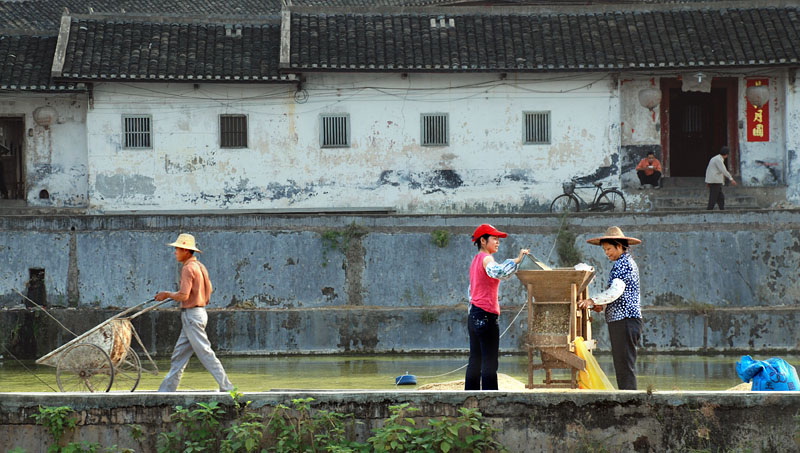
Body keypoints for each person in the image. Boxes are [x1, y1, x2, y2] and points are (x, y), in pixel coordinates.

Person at [156, 233, 234, 392]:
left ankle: (228, 387)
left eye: (177, 249)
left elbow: (183, 295)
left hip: (192, 316)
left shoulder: (187, 268)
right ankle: (165, 391)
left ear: (186, 250)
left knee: (205, 353)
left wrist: (167, 294)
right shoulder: (200, 267)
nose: (175, 252)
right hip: (198, 313)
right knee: (179, 355)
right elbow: (209, 289)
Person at [465, 224, 529, 390]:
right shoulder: (486, 259)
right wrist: (516, 262)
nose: (498, 242)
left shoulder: (475, 261)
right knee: (489, 361)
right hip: (486, 316)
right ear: (483, 241)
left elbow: (471, 290)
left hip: (474, 315)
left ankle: (469, 400)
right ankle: (489, 398)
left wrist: (516, 260)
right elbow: (499, 272)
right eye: (494, 238)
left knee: (475, 360)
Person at [578, 226, 643, 390]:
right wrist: (603, 305)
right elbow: (618, 294)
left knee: (625, 364)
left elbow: (616, 291)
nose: (607, 253)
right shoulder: (623, 263)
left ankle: (629, 400)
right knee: (622, 364)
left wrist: (592, 300)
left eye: (609, 249)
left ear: (619, 246)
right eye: (605, 249)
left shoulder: (624, 264)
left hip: (625, 320)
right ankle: (626, 397)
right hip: (622, 321)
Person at [704, 146, 737, 210]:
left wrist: (708, 181)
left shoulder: (715, 158)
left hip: (714, 180)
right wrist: (731, 179)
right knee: (713, 197)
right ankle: (709, 210)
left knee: (720, 197)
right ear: (726, 154)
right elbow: (724, 170)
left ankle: (722, 209)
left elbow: (708, 170)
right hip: (715, 181)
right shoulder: (718, 160)